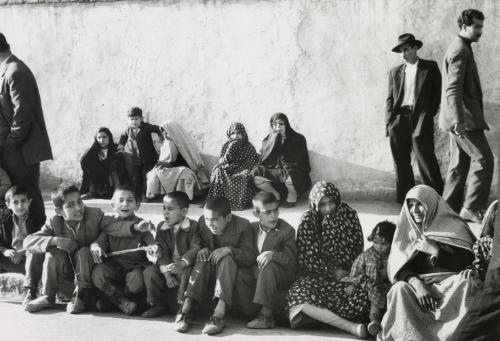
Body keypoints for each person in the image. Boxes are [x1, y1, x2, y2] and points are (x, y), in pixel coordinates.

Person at [22, 184, 151, 314]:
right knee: (51, 253)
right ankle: (46, 297)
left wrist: (136, 228)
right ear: (59, 211)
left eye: (79, 202)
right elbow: (28, 241)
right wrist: (56, 240)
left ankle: (79, 297)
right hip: (67, 272)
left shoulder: (94, 214)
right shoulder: (54, 221)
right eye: (70, 205)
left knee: (84, 251)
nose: (78, 208)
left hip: (88, 272)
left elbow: (114, 225)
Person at [379, 185, 478, 341]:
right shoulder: (407, 230)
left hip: (450, 286)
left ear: (431, 204)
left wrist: (435, 251)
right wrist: (417, 284)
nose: (415, 210)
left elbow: (467, 260)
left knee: (467, 284)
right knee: (399, 289)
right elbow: (399, 267)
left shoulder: (455, 227)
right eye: (411, 205)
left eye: (420, 204)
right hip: (420, 287)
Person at [287, 180, 368, 338]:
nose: (328, 208)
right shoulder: (307, 221)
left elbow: (358, 249)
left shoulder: (349, 215)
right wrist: (331, 271)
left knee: (367, 295)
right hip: (317, 277)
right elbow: (306, 257)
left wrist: (351, 277)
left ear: (337, 199)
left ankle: (319, 319)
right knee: (298, 294)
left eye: (331, 202)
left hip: (346, 275)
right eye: (322, 205)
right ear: (315, 204)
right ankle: (351, 327)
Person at [439, 9, 493, 223]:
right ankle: (470, 208)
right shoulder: (460, 49)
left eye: (481, 26)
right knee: (484, 160)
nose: (480, 31)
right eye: (476, 27)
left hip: (459, 119)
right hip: (464, 121)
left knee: (458, 167)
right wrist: (458, 121)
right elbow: (453, 89)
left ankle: (444, 212)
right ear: (464, 26)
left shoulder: (461, 47)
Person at [175, 196, 254, 335]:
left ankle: (219, 314)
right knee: (203, 256)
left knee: (227, 259)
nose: (210, 224)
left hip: (230, 272)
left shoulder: (243, 226)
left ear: (228, 217)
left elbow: (249, 257)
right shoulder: (202, 222)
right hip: (208, 270)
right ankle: (186, 308)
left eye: (215, 219)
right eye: (207, 219)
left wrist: (229, 250)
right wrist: (202, 248)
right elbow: (198, 242)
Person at [0, 33, 53, 223]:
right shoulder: (8, 70)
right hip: (15, 149)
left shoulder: (15, 71)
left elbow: (23, 115)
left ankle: (39, 239)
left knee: (29, 198)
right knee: (15, 199)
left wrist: (10, 144)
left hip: (21, 150)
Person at [386, 33, 443, 203]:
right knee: (401, 162)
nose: (403, 54)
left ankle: (434, 199)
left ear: (415, 48)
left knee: (425, 158)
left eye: (406, 50)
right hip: (399, 120)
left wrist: (428, 115)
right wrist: (389, 123)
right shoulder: (394, 72)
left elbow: (436, 94)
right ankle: (407, 200)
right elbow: (389, 99)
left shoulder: (430, 67)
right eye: (400, 51)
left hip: (420, 118)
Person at [90, 186, 161, 316]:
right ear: (113, 204)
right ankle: (121, 302)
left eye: (130, 200)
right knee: (98, 273)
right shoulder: (110, 225)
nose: (125, 204)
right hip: (113, 267)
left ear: (137, 205)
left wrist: (154, 248)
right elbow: (99, 242)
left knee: (137, 282)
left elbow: (152, 242)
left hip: (134, 268)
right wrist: (96, 247)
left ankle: (113, 300)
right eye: (120, 200)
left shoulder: (142, 224)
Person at [234, 191, 296, 329]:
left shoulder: (286, 230)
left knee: (268, 266)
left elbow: (290, 261)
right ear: (256, 214)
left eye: (276, 210)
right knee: (240, 273)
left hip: (281, 274)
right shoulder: (251, 228)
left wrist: (272, 254)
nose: (274, 215)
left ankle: (266, 316)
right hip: (258, 272)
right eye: (267, 212)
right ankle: (252, 313)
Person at [142, 191, 201, 318]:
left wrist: (182, 262)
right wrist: (168, 276)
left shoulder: (193, 226)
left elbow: (196, 248)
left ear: (184, 211)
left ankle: (183, 305)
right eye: (164, 208)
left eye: (170, 209)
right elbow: (161, 250)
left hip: (184, 266)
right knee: (149, 272)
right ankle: (157, 305)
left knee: (187, 272)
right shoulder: (161, 227)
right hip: (167, 267)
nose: (165, 212)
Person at [341, 220, 396, 337]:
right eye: (376, 243)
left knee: (392, 300)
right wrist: (352, 284)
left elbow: (397, 272)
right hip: (371, 285)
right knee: (374, 302)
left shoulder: (393, 256)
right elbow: (356, 271)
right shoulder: (366, 255)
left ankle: (389, 324)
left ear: (392, 243)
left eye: (384, 244)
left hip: (387, 285)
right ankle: (374, 321)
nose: (379, 247)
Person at [252, 113, 311, 208]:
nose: (278, 127)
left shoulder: (298, 138)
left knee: (292, 174)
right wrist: (274, 141)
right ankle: (275, 195)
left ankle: (292, 196)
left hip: (292, 169)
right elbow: (265, 161)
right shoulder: (268, 139)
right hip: (276, 171)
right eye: (274, 124)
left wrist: (284, 142)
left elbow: (302, 162)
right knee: (255, 173)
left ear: (286, 125)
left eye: (281, 124)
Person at [0, 186, 45, 306]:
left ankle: (31, 291)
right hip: (11, 257)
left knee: (35, 252)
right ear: (8, 204)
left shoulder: (38, 219)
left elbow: (41, 240)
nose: (20, 206)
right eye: (15, 202)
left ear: (29, 202)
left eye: (23, 201)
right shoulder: (4, 220)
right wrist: (5, 251)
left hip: (29, 258)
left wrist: (23, 251)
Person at [145, 121, 209, 201]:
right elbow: (166, 159)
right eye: (163, 133)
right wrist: (162, 163)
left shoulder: (182, 143)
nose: (165, 135)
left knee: (185, 173)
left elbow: (189, 160)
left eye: (166, 132)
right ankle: (156, 196)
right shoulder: (166, 143)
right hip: (170, 168)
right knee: (153, 173)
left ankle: (184, 198)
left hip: (181, 167)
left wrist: (167, 164)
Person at [207, 122, 259, 210]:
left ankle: (239, 203)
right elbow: (223, 161)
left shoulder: (249, 147)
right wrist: (231, 147)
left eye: (238, 133)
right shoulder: (227, 145)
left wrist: (237, 167)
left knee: (245, 174)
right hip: (229, 168)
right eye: (233, 133)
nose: (236, 136)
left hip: (242, 169)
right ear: (229, 135)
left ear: (243, 134)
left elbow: (251, 163)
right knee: (218, 170)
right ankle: (218, 202)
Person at [118, 106, 162, 198]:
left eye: (136, 119)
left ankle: (145, 195)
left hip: (148, 158)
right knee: (136, 178)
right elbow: (123, 136)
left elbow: (158, 129)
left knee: (147, 176)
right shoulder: (128, 129)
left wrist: (162, 137)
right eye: (131, 119)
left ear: (141, 118)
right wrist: (121, 145)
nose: (134, 121)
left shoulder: (147, 127)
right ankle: (136, 195)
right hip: (135, 159)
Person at [80, 127, 128, 199]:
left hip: (111, 181)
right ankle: (92, 193)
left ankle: (117, 192)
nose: (102, 140)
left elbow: (120, 164)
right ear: (96, 139)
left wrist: (112, 159)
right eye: (99, 137)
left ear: (109, 137)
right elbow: (84, 162)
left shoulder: (115, 148)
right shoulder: (93, 150)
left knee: (115, 163)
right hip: (98, 180)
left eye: (104, 137)